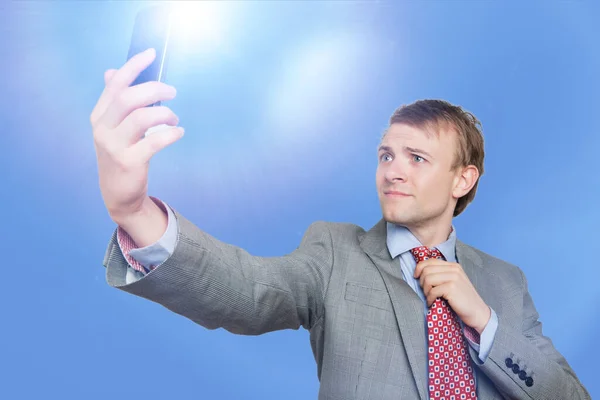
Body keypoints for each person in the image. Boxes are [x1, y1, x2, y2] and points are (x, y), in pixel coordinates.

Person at [92, 49, 590, 400]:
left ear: (463, 179)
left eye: (416, 157)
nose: (393, 169)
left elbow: (566, 395)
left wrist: (484, 321)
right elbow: (245, 290)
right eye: (386, 154)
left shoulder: (506, 284)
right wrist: (134, 210)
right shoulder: (334, 250)